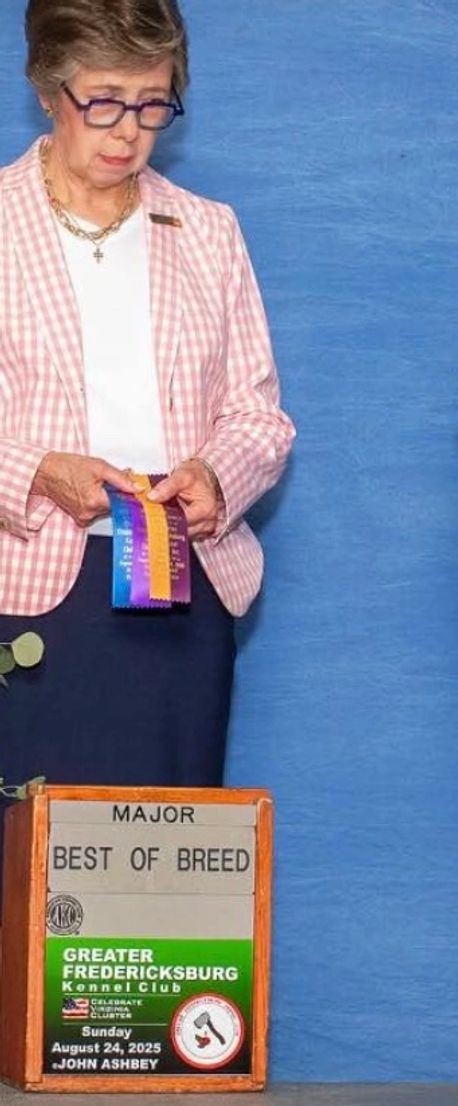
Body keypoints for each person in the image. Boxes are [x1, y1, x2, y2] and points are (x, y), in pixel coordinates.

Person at [0, 0, 294, 791]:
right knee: (25, 850)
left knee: (172, 854)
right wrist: (38, 471)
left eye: (153, 104)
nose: (128, 131)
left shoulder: (209, 230)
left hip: (180, 591)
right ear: (47, 89)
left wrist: (216, 477)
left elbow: (259, 416)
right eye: (103, 102)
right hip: (24, 591)